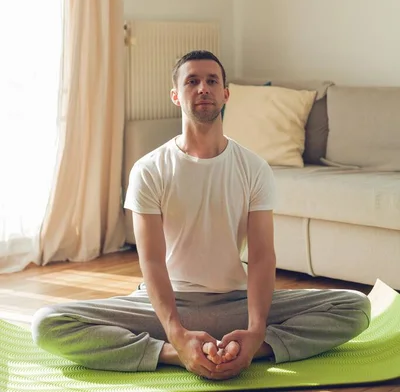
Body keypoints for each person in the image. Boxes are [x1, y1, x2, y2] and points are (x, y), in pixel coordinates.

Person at [32, 50, 371, 381]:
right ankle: (172, 353)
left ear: (225, 94)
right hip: (166, 306)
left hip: (235, 303)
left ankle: (256, 348)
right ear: (176, 96)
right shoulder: (149, 170)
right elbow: (151, 262)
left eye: (212, 81)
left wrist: (255, 331)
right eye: (192, 81)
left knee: (355, 307)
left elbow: (264, 256)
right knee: (48, 324)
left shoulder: (254, 168)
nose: (203, 88)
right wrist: (176, 334)